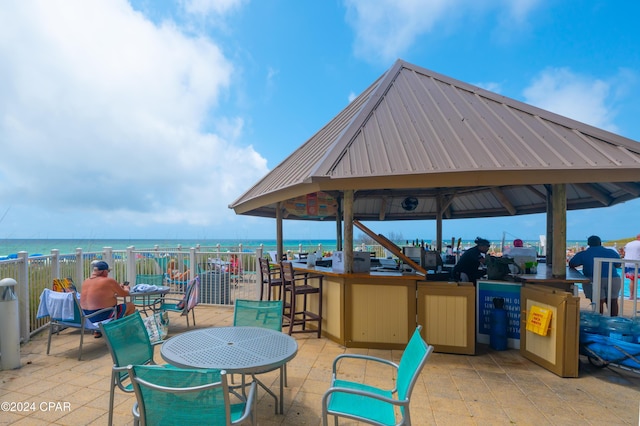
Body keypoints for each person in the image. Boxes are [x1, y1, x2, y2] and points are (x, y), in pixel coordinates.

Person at [568, 235, 622, 316]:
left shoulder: (584, 254)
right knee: (613, 301)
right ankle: (613, 321)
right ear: (600, 243)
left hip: (593, 279)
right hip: (613, 278)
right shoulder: (611, 252)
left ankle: (598, 322)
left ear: (588, 243)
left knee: (597, 302)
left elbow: (572, 264)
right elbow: (618, 265)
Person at [80, 261, 135, 337]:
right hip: (102, 317)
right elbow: (125, 295)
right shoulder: (109, 281)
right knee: (130, 304)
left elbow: (102, 296)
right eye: (108, 271)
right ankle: (126, 331)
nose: (108, 273)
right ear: (104, 271)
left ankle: (98, 332)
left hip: (87, 319)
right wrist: (126, 288)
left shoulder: (86, 281)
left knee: (121, 301)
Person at [623, 234, 640, 300]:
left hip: (628, 263)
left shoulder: (629, 244)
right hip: (638, 263)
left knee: (632, 280)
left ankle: (631, 296)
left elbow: (624, 253)